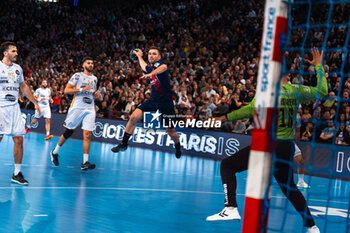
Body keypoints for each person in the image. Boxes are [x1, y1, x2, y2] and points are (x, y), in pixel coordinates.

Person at [206, 48, 327, 233]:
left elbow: (246, 111)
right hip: (286, 146)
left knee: (227, 166)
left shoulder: (267, 91)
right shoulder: (296, 90)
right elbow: (323, 91)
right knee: (289, 187)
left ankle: (230, 208)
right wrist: (319, 67)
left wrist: (222, 119)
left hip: (268, 145)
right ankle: (312, 227)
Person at [111, 47, 181, 158]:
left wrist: (150, 74)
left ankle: (177, 145)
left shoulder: (160, 65)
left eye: (154, 54)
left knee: (171, 130)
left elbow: (164, 67)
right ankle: (124, 144)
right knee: (133, 117)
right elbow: (144, 66)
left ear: (159, 57)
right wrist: (139, 56)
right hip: (153, 100)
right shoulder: (151, 68)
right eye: (149, 54)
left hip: (166, 103)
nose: (151, 56)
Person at [0, 41, 42, 184]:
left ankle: (17, 173)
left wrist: (35, 102)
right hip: (1, 108)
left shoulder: (18, 69)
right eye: (13, 51)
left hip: (14, 108)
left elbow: (23, 87)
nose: (16, 53)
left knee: (19, 139)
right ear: (5, 53)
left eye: (16, 51)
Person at [50, 57, 100, 170]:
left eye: (92, 63)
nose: (91, 64)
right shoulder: (77, 75)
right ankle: (55, 152)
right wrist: (81, 90)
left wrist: (97, 94)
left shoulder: (95, 78)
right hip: (77, 107)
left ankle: (85, 162)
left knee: (87, 135)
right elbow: (66, 90)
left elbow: (92, 92)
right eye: (88, 63)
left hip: (90, 108)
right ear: (83, 65)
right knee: (69, 131)